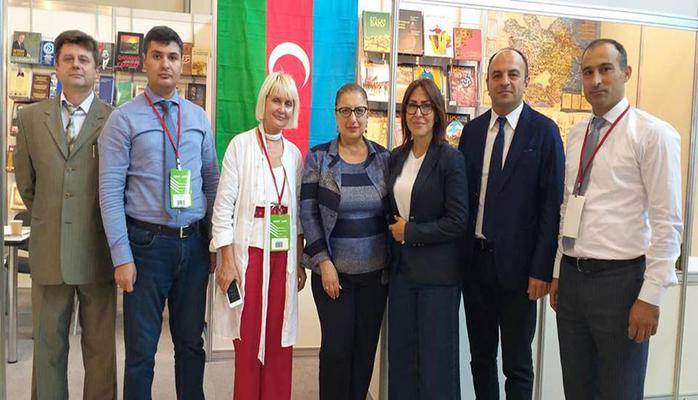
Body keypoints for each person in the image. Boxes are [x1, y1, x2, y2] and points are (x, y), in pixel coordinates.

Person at [550, 38, 682, 400]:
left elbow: (668, 222)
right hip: (573, 279)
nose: (595, 80)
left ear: (626, 73)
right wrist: (560, 269)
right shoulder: (577, 134)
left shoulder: (652, 134)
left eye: (605, 69)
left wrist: (650, 296)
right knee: (577, 389)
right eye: (588, 72)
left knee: (619, 390)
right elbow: (568, 205)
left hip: (621, 284)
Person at [98, 26, 219, 399]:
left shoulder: (198, 117)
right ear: (144, 61)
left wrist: (214, 242)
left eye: (172, 57)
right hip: (145, 247)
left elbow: (211, 182)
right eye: (157, 56)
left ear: (182, 63)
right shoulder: (123, 119)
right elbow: (109, 192)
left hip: (193, 247)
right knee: (141, 352)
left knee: (191, 345)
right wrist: (121, 256)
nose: (165, 64)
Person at [14, 29, 116, 400]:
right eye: (68, 59)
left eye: (84, 60)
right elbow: (27, 185)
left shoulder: (115, 120)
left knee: (101, 349)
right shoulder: (30, 118)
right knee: (48, 347)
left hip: (98, 251)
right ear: (56, 67)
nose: (76, 65)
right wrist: (52, 215)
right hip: (49, 249)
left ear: (96, 70)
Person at [458, 48, 565, 400]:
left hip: (521, 272)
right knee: (480, 358)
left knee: (517, 364)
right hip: (476, 264)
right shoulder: (472, 132)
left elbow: (551, 207)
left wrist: (542, 269)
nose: (505, 81)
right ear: (487, 82)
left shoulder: (544, 132)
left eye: (513, 74)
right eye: (497, 75)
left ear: (525, 80)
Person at [210, 72, 307, 400]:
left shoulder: (294, 155)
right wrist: (226, 260)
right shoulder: (241, 146)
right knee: (249, 342)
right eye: (276, 100)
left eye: (288, 103)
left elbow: (297, 216)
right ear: (264, 102)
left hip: (283, 261)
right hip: (247, 261)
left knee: (279, 340)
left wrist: (299, 261)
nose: (282, 108)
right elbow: (223, 209)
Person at [300, 83, 390, 400]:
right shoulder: (319, 158)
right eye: (346, 111)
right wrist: (323, 262)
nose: (353, 118)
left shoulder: (383, 158)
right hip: (333, 277)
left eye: (359, 111)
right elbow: (308, 213)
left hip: (375, 277)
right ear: (336, 115)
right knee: (336, 353)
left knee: (364, 353)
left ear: (368, 115)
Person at [387, 78, 468, 399]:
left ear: (437, 113)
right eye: (412, 105)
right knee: (402, 362)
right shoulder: (397, 157)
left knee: (437, 367)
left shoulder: (450, 159)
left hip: (438, 280)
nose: (418, 113)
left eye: (426, 106)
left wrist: (411, 232)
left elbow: (458, 221)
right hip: (402, 276)